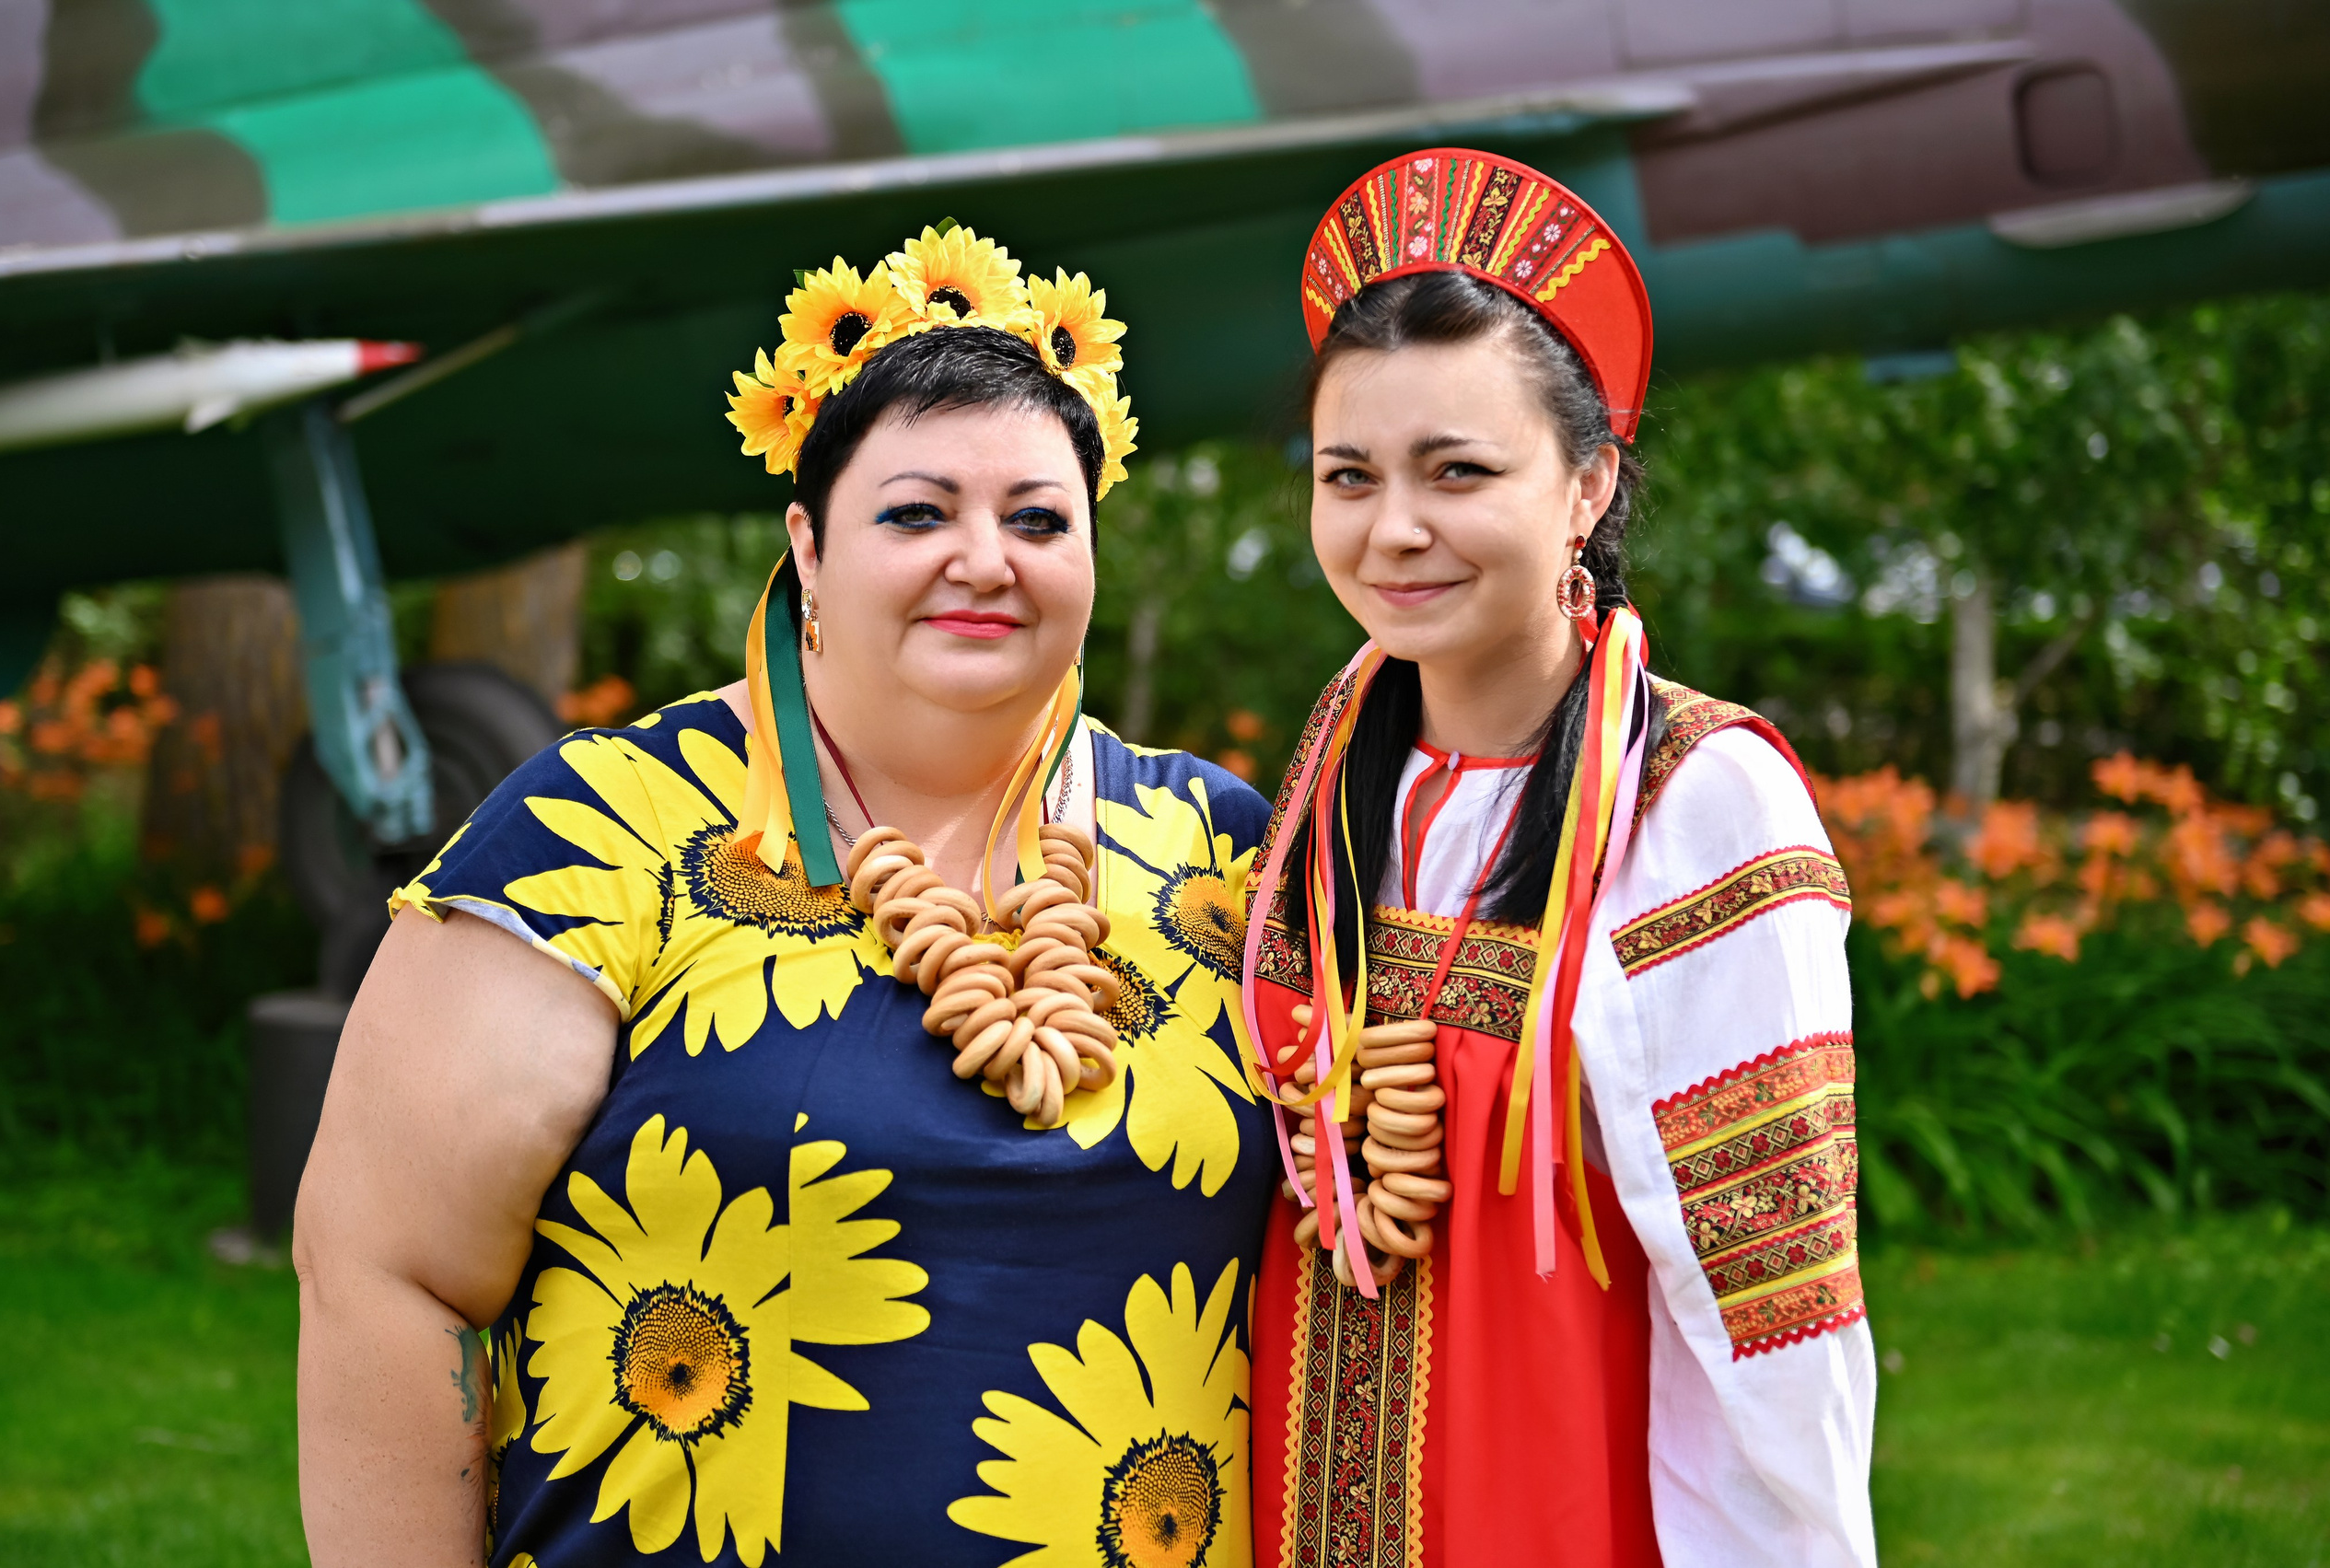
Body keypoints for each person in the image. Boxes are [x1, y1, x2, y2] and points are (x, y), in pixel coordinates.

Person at [294, 224, 1276, 1567]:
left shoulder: (1228, 850)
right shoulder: (603, 828)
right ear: (809, 548)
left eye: (1039, 517)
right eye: (918, 512)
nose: (985, 559)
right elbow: (384, 1275)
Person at [1241, 150, 1876, 1566]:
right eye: (1350, 476)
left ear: (1587, 486)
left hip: (1563, 1508)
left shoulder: (1700, 802)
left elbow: (1768, 1300)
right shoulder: (1332, 776)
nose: (1392, 529)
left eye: (1458, 472)